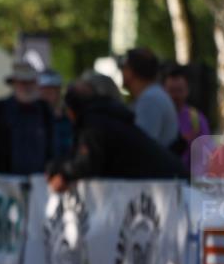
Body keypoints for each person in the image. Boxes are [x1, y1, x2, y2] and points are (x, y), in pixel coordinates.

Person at [46, 74, 187, 191]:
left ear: (72, 110)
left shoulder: (94, 123)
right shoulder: (107, 117)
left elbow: (87, 162)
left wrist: (63, 173)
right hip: (169, 181)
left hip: (168, 187)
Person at [119, 47, 179, 149]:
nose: (122, 72)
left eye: (124, 67)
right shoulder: (153, 95)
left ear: (131, 72)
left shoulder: (150, 100)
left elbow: (140, 148)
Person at [1, 61, 54, 175]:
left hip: (39, 179)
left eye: (31, 82)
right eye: (23, 82)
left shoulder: (45, 110)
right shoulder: (0, 109)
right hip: (6, 180)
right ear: (14, 83)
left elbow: (52, 145)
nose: (27, 86)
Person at [162, 64, 212, 175]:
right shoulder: (157, 117)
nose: (175, 96)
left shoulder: (197, 119)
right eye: (171, 90)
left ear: (187, 90)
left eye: (180, 90)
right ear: (164, 91)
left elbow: (206, 155)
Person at [39, 69, 73, 161]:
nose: (46, 95)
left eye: (50, 91)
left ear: (58, 92)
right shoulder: (30, 120)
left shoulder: (70, 119)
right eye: (43, 90)